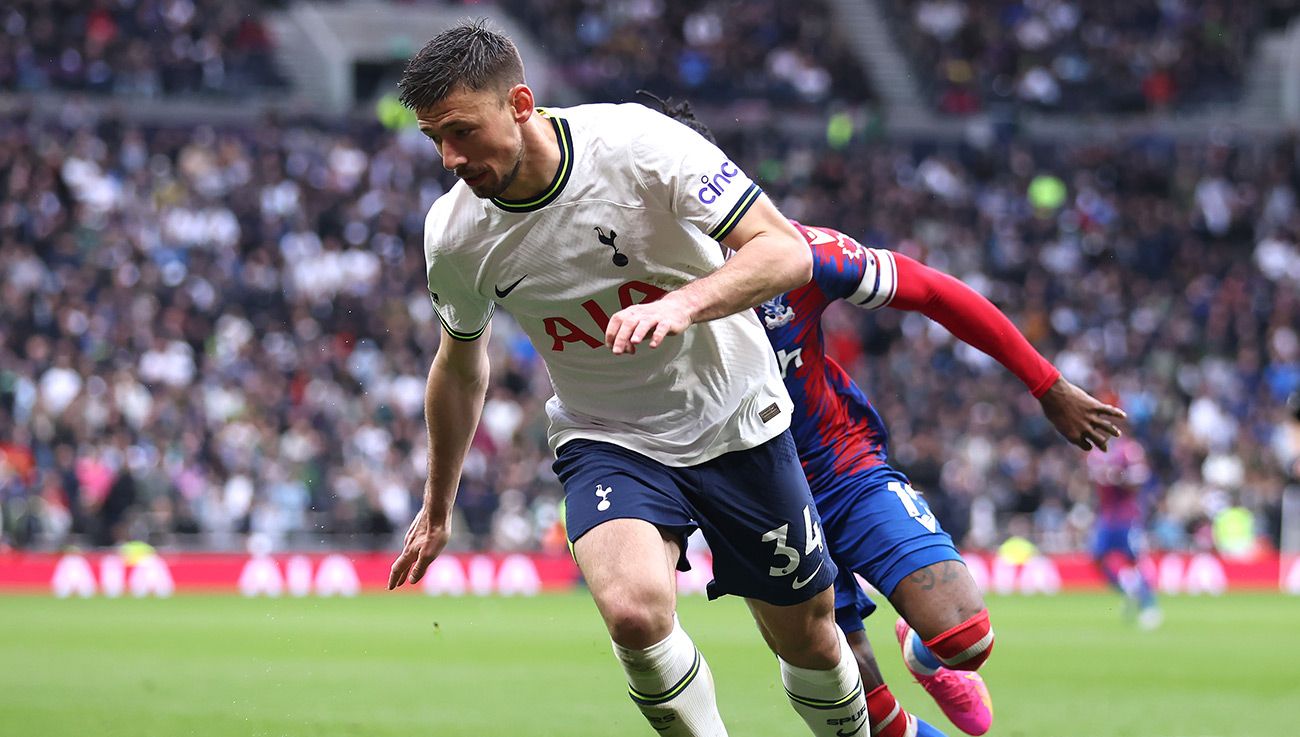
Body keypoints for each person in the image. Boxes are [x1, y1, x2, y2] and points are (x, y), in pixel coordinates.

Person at [385, 21, 946, 737]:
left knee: (807, 637)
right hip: (608, 437)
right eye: (436, 137)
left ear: (520, 102)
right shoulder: (455, 235)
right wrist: (438, 506)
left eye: (460, 131)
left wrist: (684, 301)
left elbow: (783, 251)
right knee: (633, 611)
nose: (448, 156)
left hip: (736, 419)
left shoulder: (638, 146)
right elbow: (460, 365)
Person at [647, 94, 1126, 736]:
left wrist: (1046, 384)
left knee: (967, 637)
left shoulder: (797, 255)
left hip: (839, 468)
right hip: (750, 503)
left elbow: (930, 289)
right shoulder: (616, 292)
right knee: (865, 719)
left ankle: (925, 651)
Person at [1086, 435, 1162, 629]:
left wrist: (1118, 477)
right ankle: (1127, 590)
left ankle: (1149, 606)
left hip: (1127, 516)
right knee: (1097, 558)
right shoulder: (1095, 452)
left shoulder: (1129, 449)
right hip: (1106, 516)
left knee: (1134, 561)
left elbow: (1140, 479)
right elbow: (1093, 479)